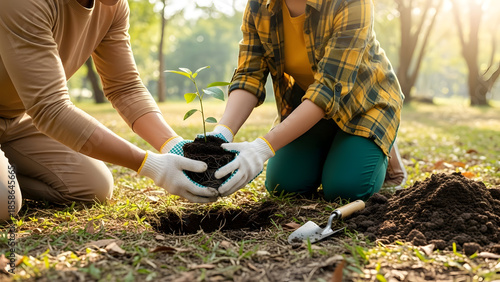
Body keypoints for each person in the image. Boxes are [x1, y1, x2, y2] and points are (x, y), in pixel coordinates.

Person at [0, 0, 219, 221]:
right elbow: (51, 108)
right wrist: (150, 165)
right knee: (5, 203)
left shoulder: (113, 6)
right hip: (36, 110)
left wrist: (174, 146)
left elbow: (125, 87)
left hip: (16, 117)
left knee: (92, 187)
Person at [207, 0, 406, 201]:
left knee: (345, 190)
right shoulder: (259, 5)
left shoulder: (351, 2)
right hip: (310, 105)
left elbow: (328, 88)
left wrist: (263, 147)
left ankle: (380, 143)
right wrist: (222, 133)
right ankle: (337, 145)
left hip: (366, 104)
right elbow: (250, 74)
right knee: (284, 186)